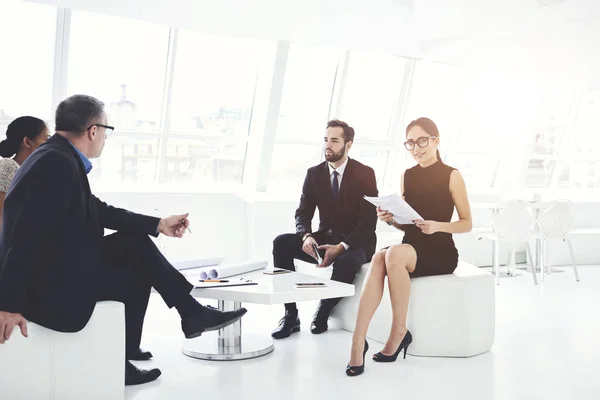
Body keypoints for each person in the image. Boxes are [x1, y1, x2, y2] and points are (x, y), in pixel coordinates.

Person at [0, 95, 247, 386]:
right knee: (135, 254)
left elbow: (98, 210)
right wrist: (10, 304)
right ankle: (187, 315)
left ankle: (138, 346)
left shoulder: (57, 156)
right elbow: (26, 235)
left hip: (58, 269)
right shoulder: (56, 163)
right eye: (106, 131)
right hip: (48, 289)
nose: (105, 138)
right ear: (93, 130)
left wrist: (158, 224)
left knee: (135, 247)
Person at [345, 117, 472, 377]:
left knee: (391, 254)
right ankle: (358, 341)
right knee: (382, 257)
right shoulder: (408, 175)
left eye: (422, 141)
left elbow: (467, 223)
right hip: (411, 247)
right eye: (411, 143)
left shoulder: (452, 175)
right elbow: (409, 224)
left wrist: (438, 226)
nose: (417, 148)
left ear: (436, 140)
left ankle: (399, 331)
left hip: (440, 251)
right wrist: (392, 219)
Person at [271, 120, 378, 339]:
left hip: (357, 241)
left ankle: (323, 311)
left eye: (334, 141)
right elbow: (302, 212)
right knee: (281, 242)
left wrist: (342, 246)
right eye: (326, 140)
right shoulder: (313, 173)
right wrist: (307, 236)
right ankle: (290, 315)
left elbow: (369, 221)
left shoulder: (365, 173)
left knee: (346, 260)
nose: (328, 145)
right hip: (324, 237)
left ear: (348, 145)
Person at [0, 116, 50, 225]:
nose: (51, 145)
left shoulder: (31, 172)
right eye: (47, 139)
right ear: (27, 142)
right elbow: (1, 218)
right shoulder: (8, 166)